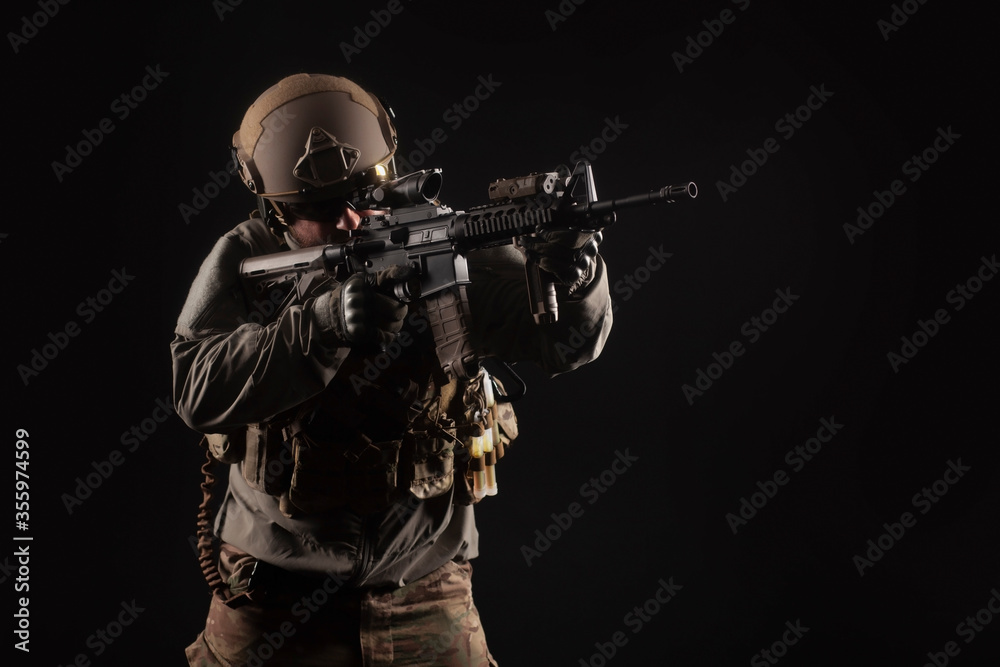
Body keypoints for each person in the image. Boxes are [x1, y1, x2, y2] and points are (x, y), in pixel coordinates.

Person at [172, 72, 613, 666]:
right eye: (320, 210)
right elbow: (195, 389)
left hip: (427, 589)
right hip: (277, 594)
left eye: (363, 193)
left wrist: (573, 273)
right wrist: (319, 325)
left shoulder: (434, 236)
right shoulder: (249, 256)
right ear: (276, 208)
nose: (350, 220)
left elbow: (568, 344)